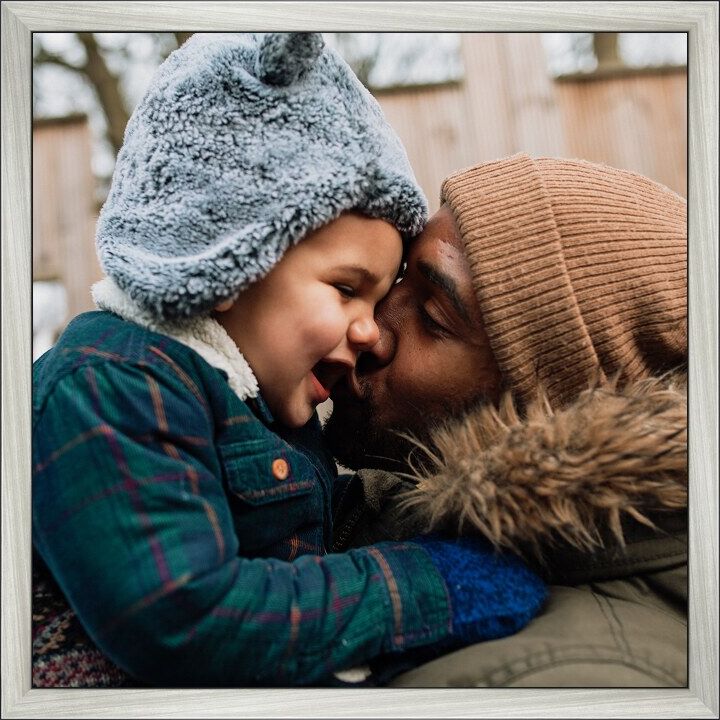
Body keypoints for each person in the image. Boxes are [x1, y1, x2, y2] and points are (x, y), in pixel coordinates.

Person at [31, 34, 546, 688]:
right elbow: (189, 618)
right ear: (231, 258)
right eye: (346, 289)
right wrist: (429, 587)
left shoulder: (257, 399)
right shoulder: (108, 388)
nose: (372, 330)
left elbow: (327, 526)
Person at [326, 153, 688, 686]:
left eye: (432, 317)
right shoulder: (396, 517)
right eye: (399, 276)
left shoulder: (543, 680)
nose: (367, 325)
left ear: (553, 407)